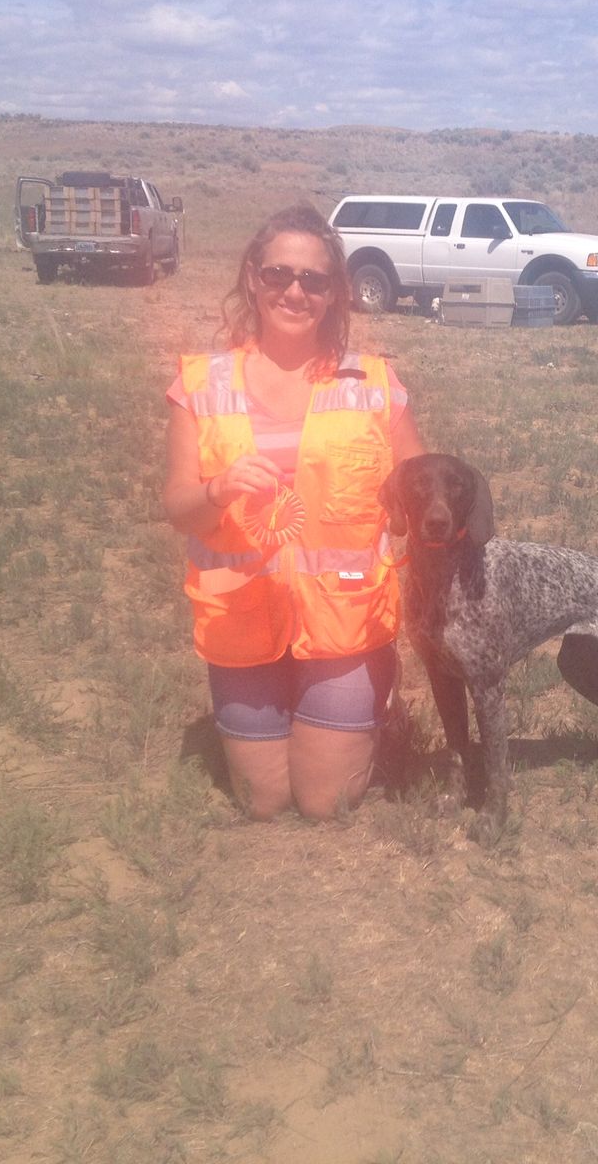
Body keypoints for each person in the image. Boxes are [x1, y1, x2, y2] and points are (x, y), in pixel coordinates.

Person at [163, 203, 424, 820]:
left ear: (335, 294)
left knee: (324, 802)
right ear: (253, 278)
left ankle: (367, 694)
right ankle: (286, 698)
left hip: (343, 623)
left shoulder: (374, 383)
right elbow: (179, 509)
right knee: (265, 802)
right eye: (278, 274)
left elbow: (422, 494)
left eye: (314, 279)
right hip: (242, 619)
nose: (295, 291)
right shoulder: (199, 385)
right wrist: (217, 490)